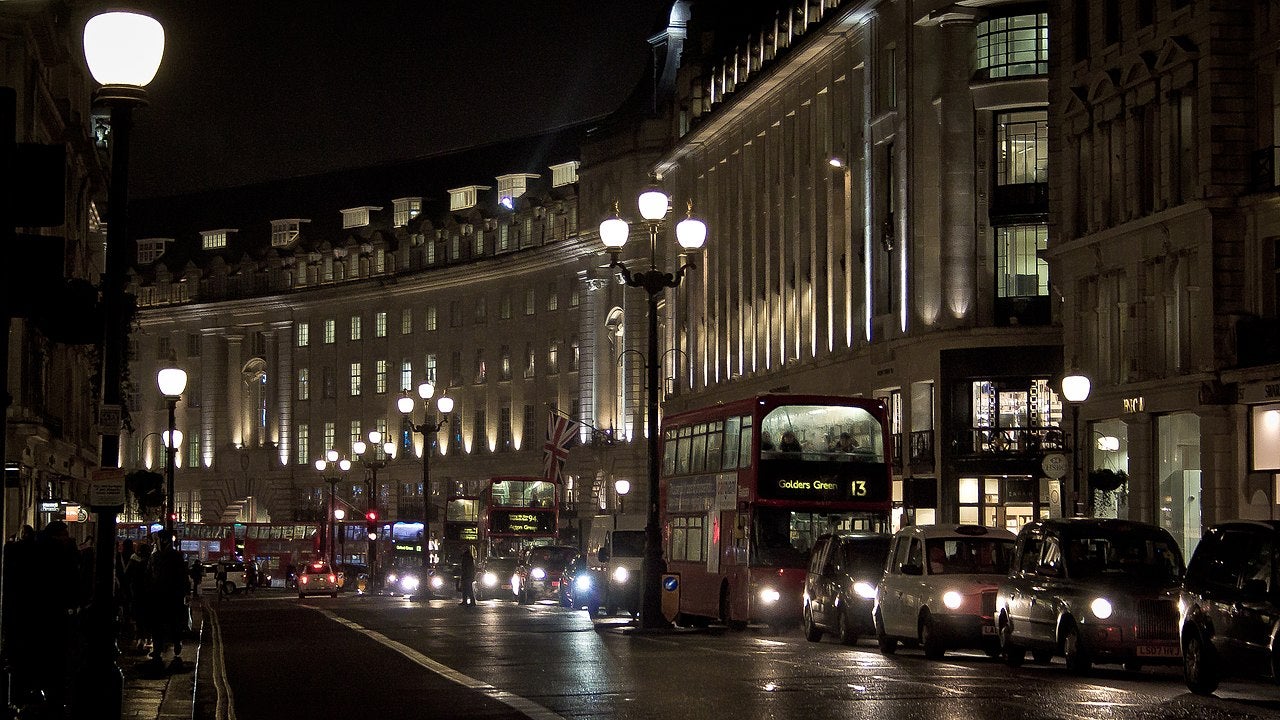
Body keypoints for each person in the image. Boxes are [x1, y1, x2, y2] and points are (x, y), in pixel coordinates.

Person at [146, 539, 192, 673]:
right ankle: (164, 647)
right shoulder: (162, 557)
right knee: (164, 623)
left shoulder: (165, 557)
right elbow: (149, 575)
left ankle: (169, 646)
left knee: (167, 623)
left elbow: (183, 576)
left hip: (167, 595)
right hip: (165, 595)